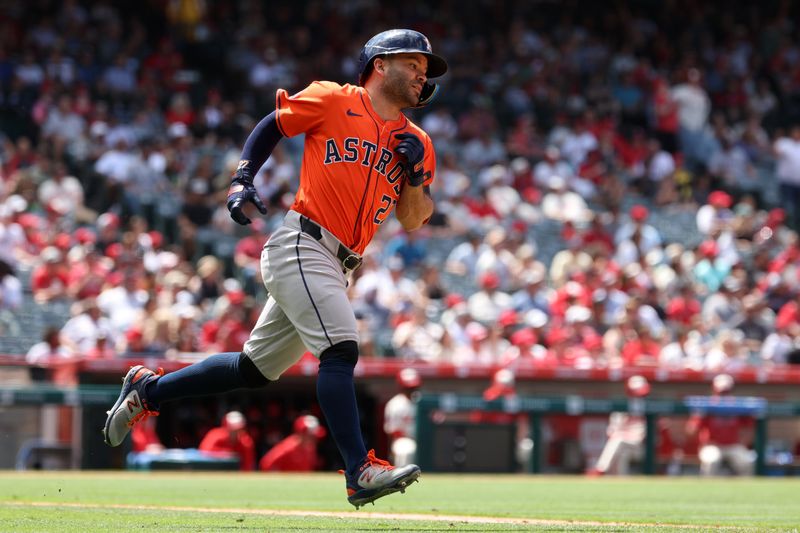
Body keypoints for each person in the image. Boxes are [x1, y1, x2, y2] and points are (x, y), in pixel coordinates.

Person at [102, 28, 446, 508]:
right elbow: (273, 124)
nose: (421, 74)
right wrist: (242, 178)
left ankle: (148, 389)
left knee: (254, 370)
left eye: (425, 69)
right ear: (379, 65)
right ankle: (358, 470)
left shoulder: (419, 142)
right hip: (302, 243)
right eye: (412, 63)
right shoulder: (333, 98)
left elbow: (414, 218)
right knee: (342, 349)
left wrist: (411, 176)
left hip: (339, 262)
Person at [686, 374, 755, 476]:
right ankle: (708, 490)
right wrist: (702, 441)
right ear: (714, 390)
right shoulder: (707, 405)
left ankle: (745, 490)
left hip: (733, 445)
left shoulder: (737, 405)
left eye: (726, 392)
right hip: (712, 445)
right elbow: (690, 431)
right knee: (711, 461)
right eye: (721, 392)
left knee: (747, 462)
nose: (724, 395)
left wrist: (742, 442)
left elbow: (749, 428)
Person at [589, 375, 650, 476]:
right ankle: (618, 482)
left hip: (642, 448)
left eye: (641, 395)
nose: (639, 397)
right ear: (629, 392)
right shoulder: (620, 408)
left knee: (619, 440)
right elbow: (611, 432)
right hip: (624, 445)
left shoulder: (649, 406)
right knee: (621, 448)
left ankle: (600, 469)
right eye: (636, 394)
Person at [259, 414, 326, 472]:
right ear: (301, 433)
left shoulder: (311, 447)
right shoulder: (288, 447)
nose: (314, 438)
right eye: (310, 435)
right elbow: (266, 464)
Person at [383, 368, 421, 467]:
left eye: (414, 387)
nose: (412, 390)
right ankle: (402, 476)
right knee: (407, 448)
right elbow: (392, 432)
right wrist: (391, 452)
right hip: (405, 439)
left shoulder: (422, 401)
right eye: (408, 388)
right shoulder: (395, 404)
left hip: (423, 439)